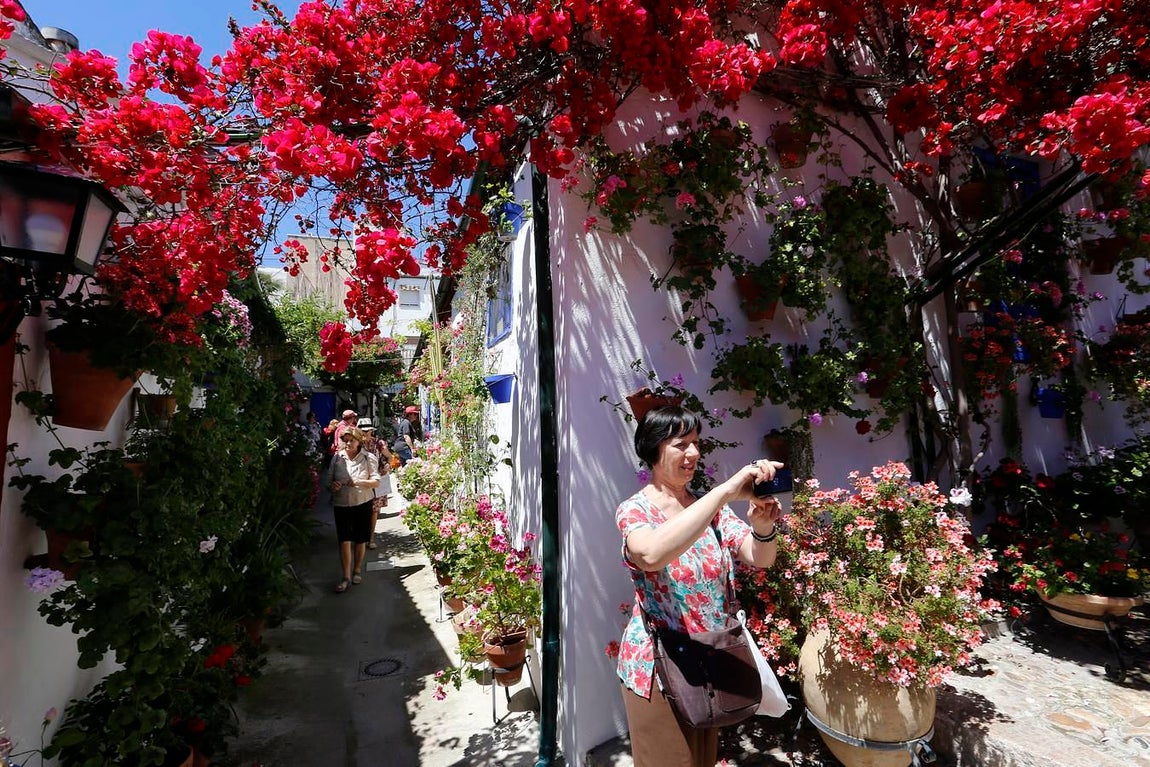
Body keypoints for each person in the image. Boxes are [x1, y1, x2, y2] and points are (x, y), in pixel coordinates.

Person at [615, 405, 784, 767]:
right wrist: (723, 492)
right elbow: (650, 554)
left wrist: (763, 525)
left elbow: (760, 556)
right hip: (661, 667)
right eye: (681, 445)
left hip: (709, 659)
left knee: (702, 761)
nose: (693, 453)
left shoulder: (710, 509)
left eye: (695, 443)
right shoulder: (635, 510)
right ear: (653, 449)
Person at [325, 427, 382, 593]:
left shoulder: (368, 457)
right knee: (344, 540)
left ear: (359, 441)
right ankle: (345, 577)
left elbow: (376, 482)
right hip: (341, 504)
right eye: (346, 440)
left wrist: (359, 482)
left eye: (351, 440)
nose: (348, 443)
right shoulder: (337, 458)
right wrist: (333, 486)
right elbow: (328, 482)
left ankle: (357, 570)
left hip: (362, 502)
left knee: (359, 539)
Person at [357, 418, 395, 550]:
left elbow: (390, 457)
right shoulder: (355, 444)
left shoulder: (378, 443)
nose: (365, 434)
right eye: (362, 431)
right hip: (360, 481)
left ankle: (371, 538)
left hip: (375, 480)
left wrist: (387, 466)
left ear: (371, 431)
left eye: (367, 431)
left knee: (373, 510)